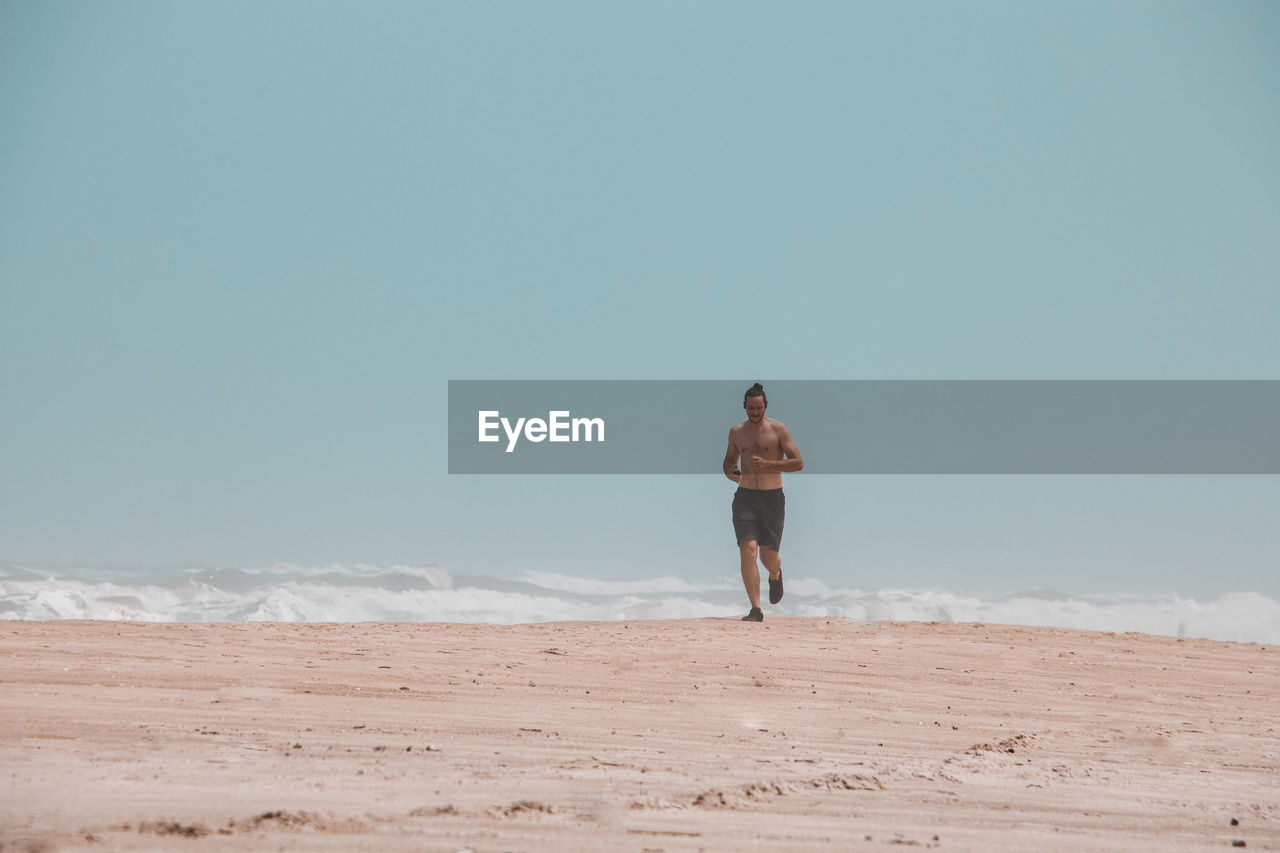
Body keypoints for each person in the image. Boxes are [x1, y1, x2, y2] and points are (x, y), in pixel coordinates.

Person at [723, 382, 804, 621]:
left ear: (765, 406)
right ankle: (756, 609)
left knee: (767, 556)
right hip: (745, 498)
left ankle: (775, 572)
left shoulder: (778, 430)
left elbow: (798, 462)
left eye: (759, 408)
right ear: (745, 407)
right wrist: (732, 472)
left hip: (772, 499)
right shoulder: (736, 432)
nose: (755, 412)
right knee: (747, 550)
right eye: (751, 408)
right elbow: (728, 462)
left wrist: (769, 465)